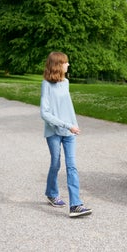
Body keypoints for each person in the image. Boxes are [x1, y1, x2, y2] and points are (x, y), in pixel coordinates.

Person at [40, 51, 92, 217]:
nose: (68, 65)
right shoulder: (46, 84)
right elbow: (45, 113)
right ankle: (51, 193)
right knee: (56, 164)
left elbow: (67, 107)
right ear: (58, 64)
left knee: (72, 166)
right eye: (65, 62)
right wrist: (67, 125)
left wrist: (73, 124)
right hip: (54, 131)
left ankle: (75, 205)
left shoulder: (66, 82)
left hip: (70, 131)